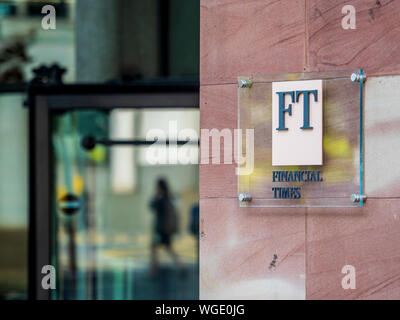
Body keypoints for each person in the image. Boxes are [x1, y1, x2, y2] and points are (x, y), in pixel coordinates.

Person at [149, 178, 182, 276]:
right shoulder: (169, 198)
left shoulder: (161, 199)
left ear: (159, 187)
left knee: (153, 247)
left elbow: (151, 206)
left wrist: (155, 196)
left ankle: (154, 270)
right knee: (168, 248)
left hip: (160, 230)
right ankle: (181, 266)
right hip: (167, 230)